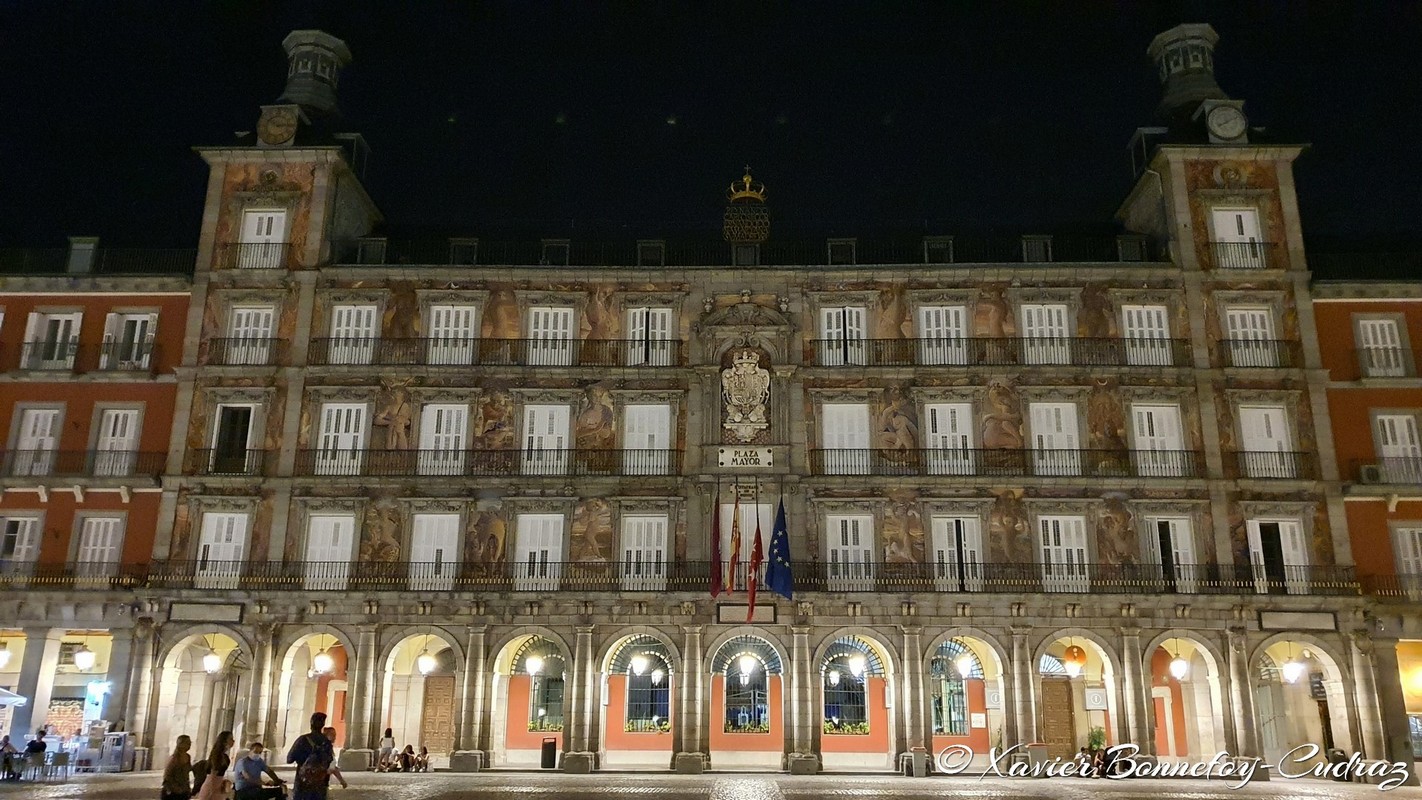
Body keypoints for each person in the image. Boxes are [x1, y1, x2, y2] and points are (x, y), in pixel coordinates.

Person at [288, 713, 338, 800]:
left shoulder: (302, 739)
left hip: (303, 782)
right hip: (320, 783)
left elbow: (289, 759)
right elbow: (330, 760)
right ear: (323, 724)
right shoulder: (327, 742)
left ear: (311, 723)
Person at [194, 730, 233, 800]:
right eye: (230, 739)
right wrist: (211, 791)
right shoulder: (217, 755)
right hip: (212, 786)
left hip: (218, 786)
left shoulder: (224, 756)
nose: (233, 741)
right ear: (224, 741)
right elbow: (213, 774)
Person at [160, 735, 193, 800]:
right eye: (187, 743)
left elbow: (187, 773)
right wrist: (176, 788)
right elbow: (167, 776)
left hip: (184, 790)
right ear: (180, 744)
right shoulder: (174, 759)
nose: (189, 745)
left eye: (190, 743)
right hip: (173, 792)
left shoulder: (188, 757)